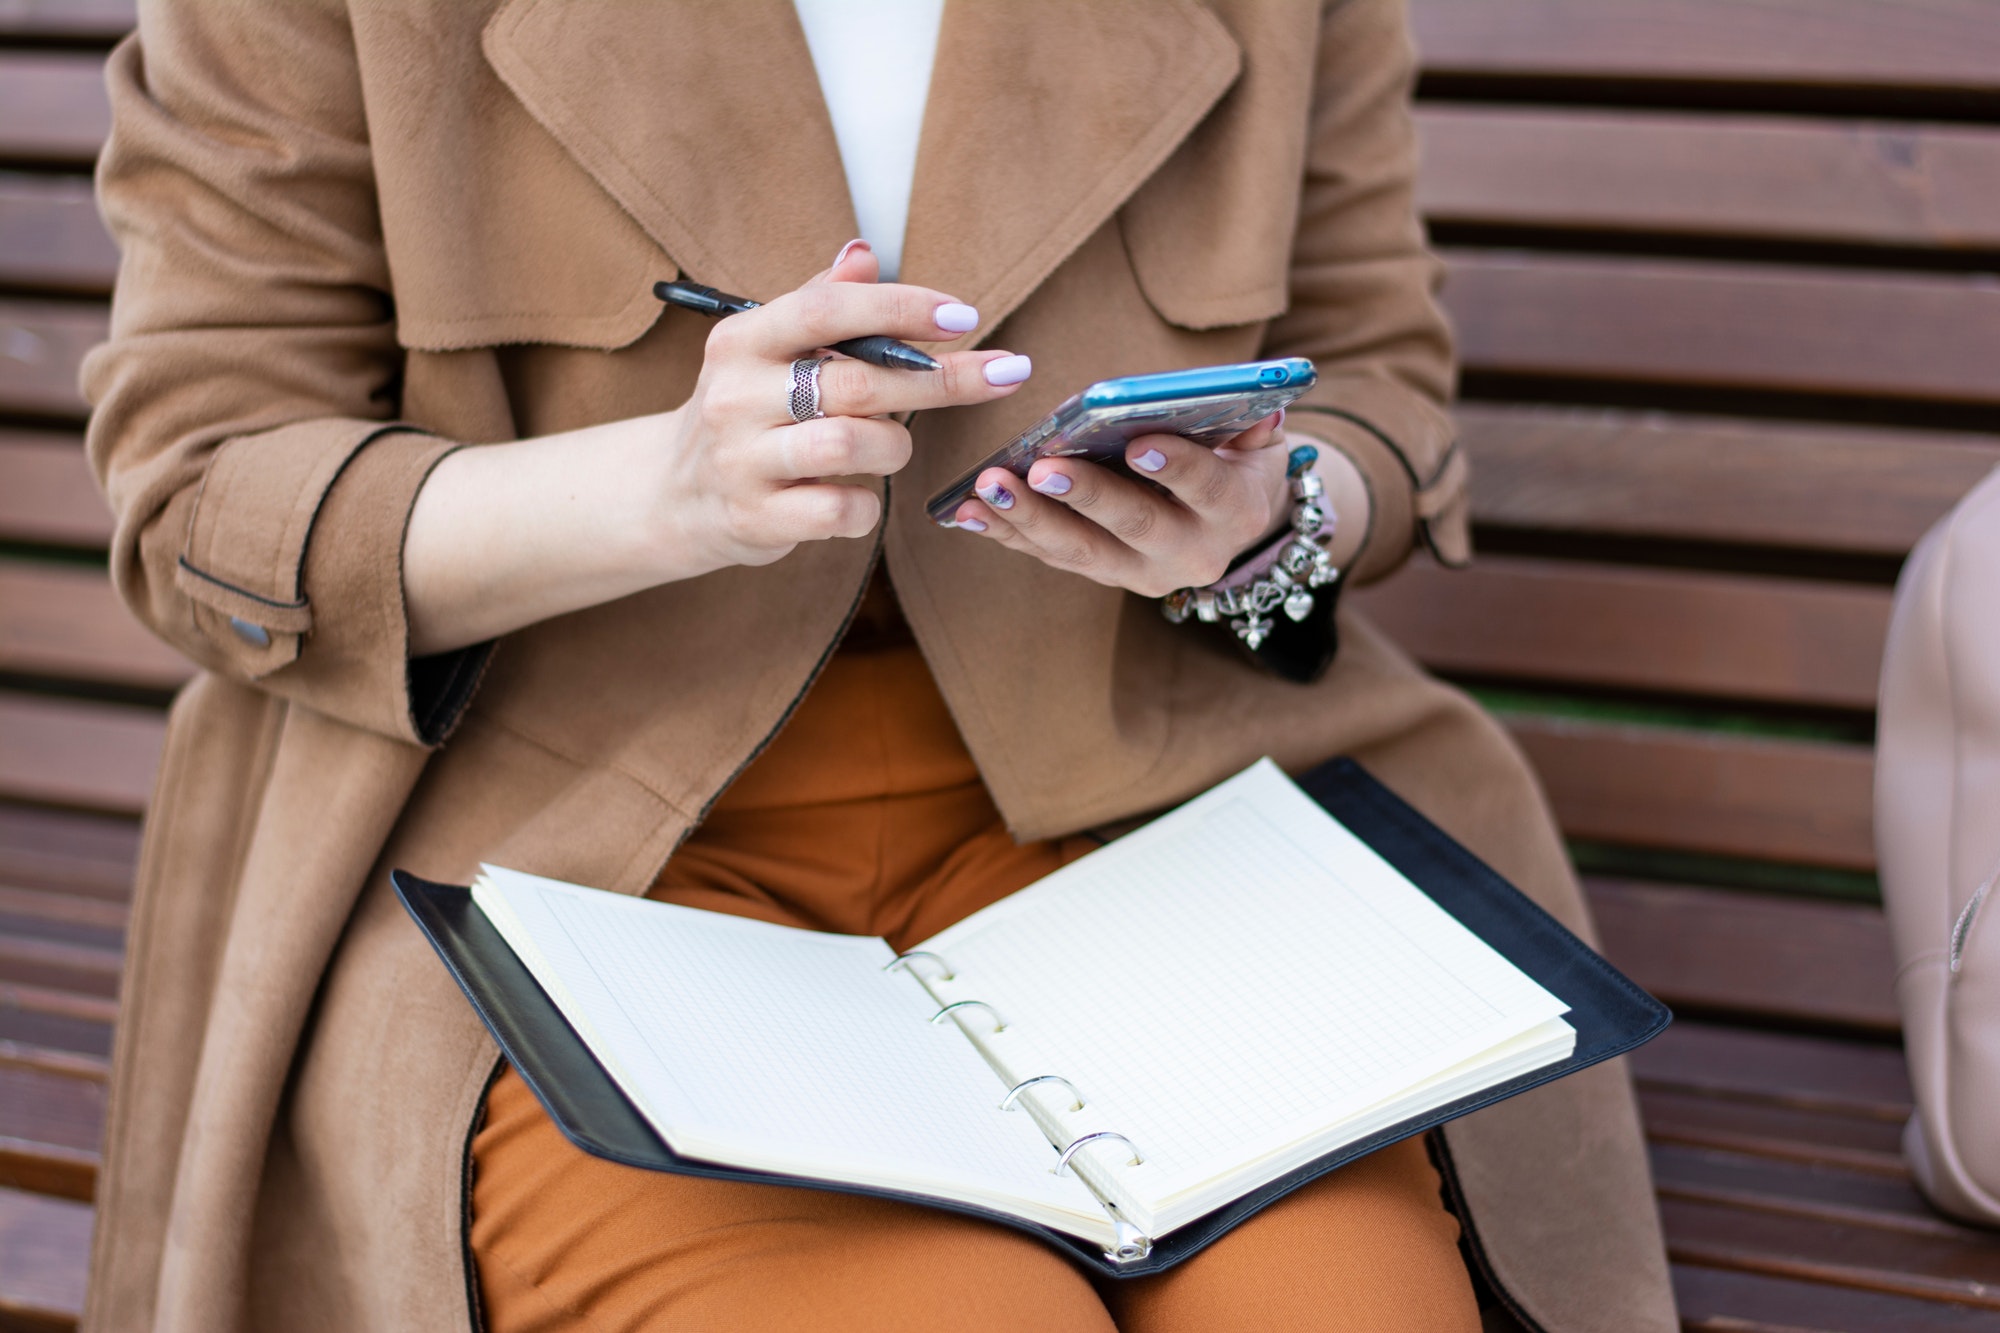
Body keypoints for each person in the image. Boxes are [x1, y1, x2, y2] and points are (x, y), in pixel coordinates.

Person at [81, 2, 1674, 1329]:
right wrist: (664, 491)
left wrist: (1270, 512)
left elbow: (1382, 376)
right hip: (568, 857)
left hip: (1148, 839)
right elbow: (200, 485)